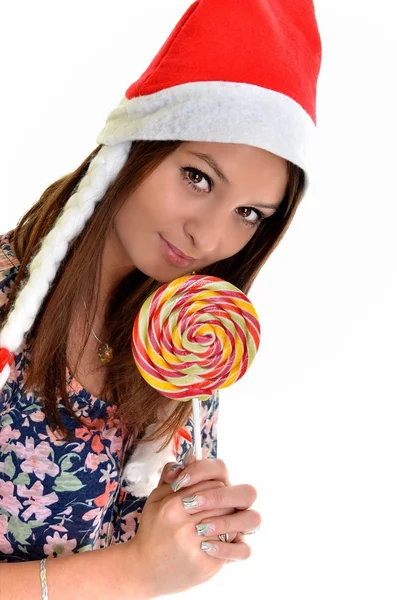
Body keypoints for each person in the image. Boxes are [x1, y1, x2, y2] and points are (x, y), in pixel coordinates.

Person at [0, 0, 322, 597]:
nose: (210, 236)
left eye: (248, 214)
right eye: (198, 177)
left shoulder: (183, 344)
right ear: (136, 145)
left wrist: (177, 539)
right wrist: (134, 571)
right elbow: (119, 576)